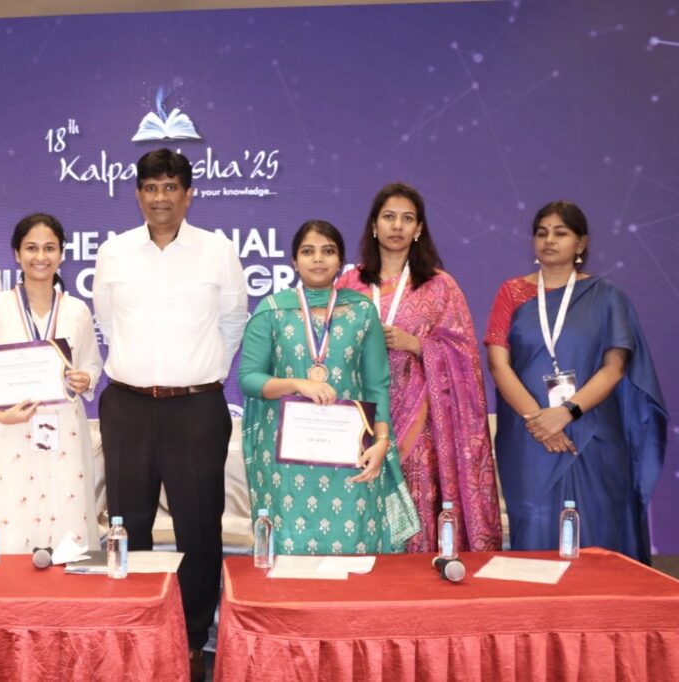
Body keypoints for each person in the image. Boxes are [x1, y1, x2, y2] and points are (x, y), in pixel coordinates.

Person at [93, 148, 247, 679]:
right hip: (128, 406)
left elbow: (233, 322)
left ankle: (194, 639)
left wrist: (199, 374)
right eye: (151, 187)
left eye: (171, 187)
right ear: (138, 194)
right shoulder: (114, 252)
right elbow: (106, 321)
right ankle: (137, 630)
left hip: (196, 408)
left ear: (188, 194)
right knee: (127, 524)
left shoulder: (217, 252)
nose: (161, 197)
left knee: (198, 528)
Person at [484, 201, 667, 564]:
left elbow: (615, 368)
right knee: (534, 531)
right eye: (541, 233)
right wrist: (539, 421)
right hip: (528, 437)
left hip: (592, 432)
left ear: (581, 243)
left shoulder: (607, 295)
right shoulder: (512, 292)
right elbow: (498, 364)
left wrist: (566, 413)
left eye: (561, 233)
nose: (549, 240)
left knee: (599, 529)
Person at [335, 183, 502, 552]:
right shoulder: (350, 284)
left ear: (419, 229)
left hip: (422, 423)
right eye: (389, 217)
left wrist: (416, 345)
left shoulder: (440, 286)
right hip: (363, 417)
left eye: (407, 218)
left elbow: (465, 357)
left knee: (417, 499)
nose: (397, 226)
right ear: (374, 225)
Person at [240, 220, 420, 556]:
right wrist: (297, 383)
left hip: (351, 451)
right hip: (286, 456)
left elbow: (377, 385)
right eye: (308, 251)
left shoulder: (362, 311)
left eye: (328, 251)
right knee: (290, 549)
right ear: (294, 261)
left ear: (341, 262)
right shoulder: (272, 310)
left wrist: (381, 442)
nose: (318, 259)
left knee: (353, 545)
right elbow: (248, 379)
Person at [0, 214, 101, 554]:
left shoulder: (77, 310)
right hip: (8, 425)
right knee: (9, 510)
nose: (41, 257)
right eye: (31, 248)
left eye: (49, 248)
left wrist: (86, 378)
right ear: (17, 254)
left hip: (62, 427)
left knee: (64, 509)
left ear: (61, 254)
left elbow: (91, 362)